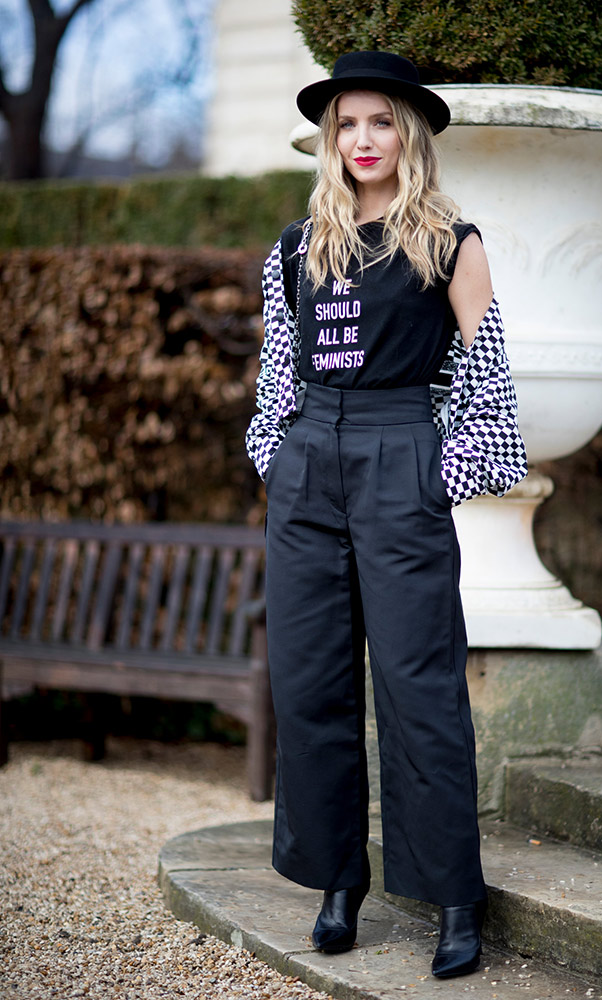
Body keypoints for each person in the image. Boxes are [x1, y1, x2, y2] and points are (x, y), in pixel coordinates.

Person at [246, 50, 527, 980]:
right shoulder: (295, 247)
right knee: (312, 683)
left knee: (419, 686)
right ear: (331, 140)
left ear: (408, 135)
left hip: (399, 453)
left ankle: (454, 895)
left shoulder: (451, 241)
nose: (362, 140)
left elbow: (486, 388)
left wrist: (428, 472)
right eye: (347, 125)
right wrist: (276, 460)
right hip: (308, 471)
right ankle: (338, 881)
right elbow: (277, 380)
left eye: (379, 122)